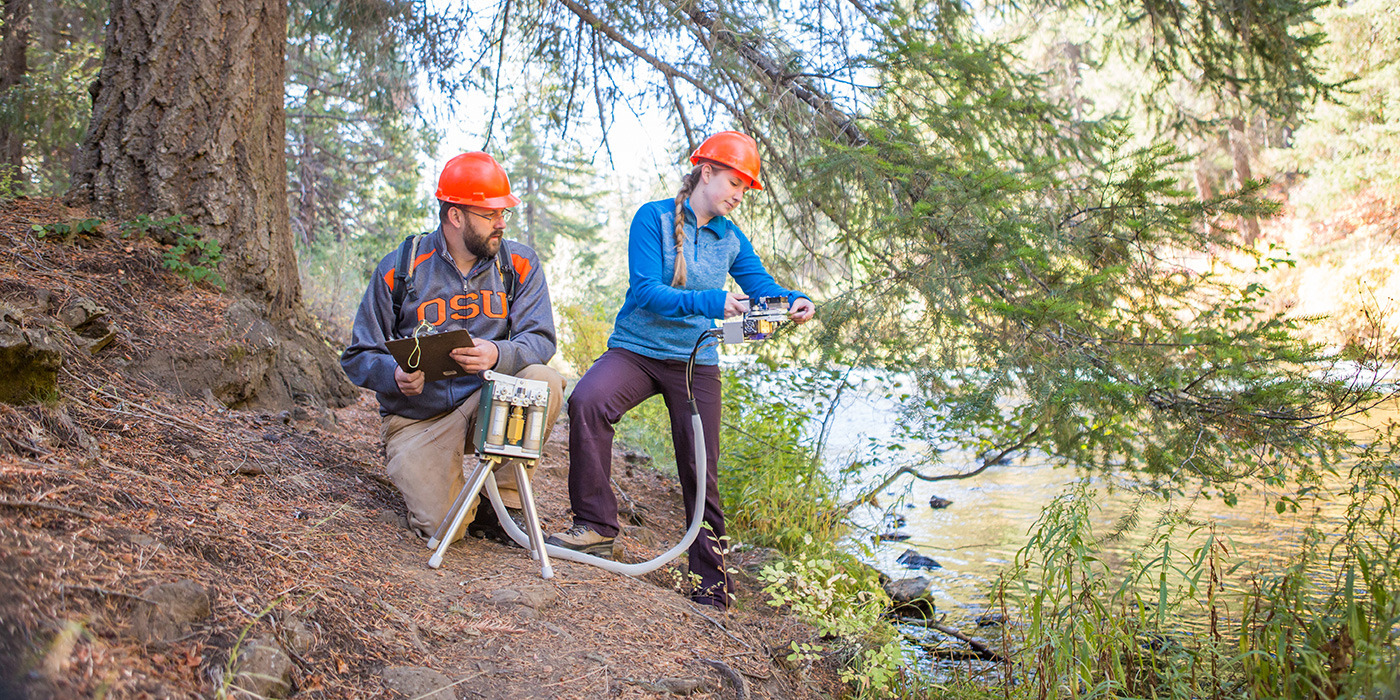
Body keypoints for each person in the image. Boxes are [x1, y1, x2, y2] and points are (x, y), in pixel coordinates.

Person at [547, 131, 815, 609]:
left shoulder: (730, 237)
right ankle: (595, 527)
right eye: (735, 182)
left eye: (746, 189)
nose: (739, 195)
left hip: (695, 361)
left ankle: (712, 584)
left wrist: (793, 300)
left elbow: (759, 283)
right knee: (587, 401)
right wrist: (713, 301)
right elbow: (647, 291)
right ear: (706, 172)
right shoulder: (652, 218)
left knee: (700, 466)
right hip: (637, 350)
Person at [341, 152, 565, 546]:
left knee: (542, 382)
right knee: (446, 531)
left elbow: (541, 339)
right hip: (418, 420)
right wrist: (393, 376)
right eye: (490, 214)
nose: (501, 224)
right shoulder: (401, 268)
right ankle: (450, 492)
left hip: (487, 403)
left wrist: (498, 354)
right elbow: (359, 355)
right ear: (456, 216)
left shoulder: (520, 265)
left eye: (504, 214)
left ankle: (505, 503)